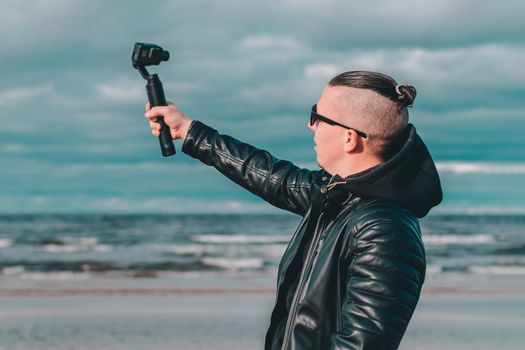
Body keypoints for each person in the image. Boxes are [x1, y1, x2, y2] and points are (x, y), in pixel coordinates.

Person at [144, 71, 442, 349]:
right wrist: (188, 130)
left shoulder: (384, 228)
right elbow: (273, 177)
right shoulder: (336, 195)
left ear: (349, 138)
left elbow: (361, 345)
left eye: (317, 115)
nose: (310, 125)